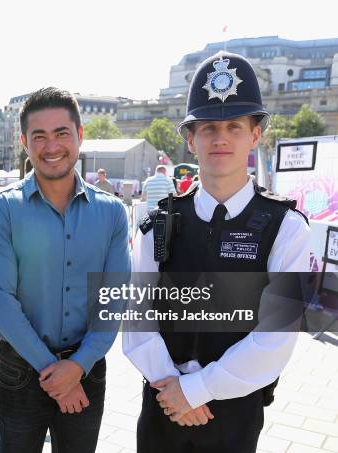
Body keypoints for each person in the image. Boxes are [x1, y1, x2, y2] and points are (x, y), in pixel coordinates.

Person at [123, 51, 310, 453]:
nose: (220, 138)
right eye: (207, 127)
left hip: (233, 411)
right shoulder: (157, 221)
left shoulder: (286, 228)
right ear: (190, 139)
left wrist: (198, 389)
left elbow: (276, 336)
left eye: (234, 125)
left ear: (255, 135)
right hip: (162, 402)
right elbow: (136, 321)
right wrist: (176, 392)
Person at [0, 87, 131, 453]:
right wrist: (56, 373)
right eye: (39, 136)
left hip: (87, 368)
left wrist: (77, 367)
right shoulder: (2, 210)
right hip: (20, 370)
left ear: (79, 135)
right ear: (24, 142)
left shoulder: (112, 213)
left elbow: (114, 300)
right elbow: (0, 301)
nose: (51, 146)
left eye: (61, 133)